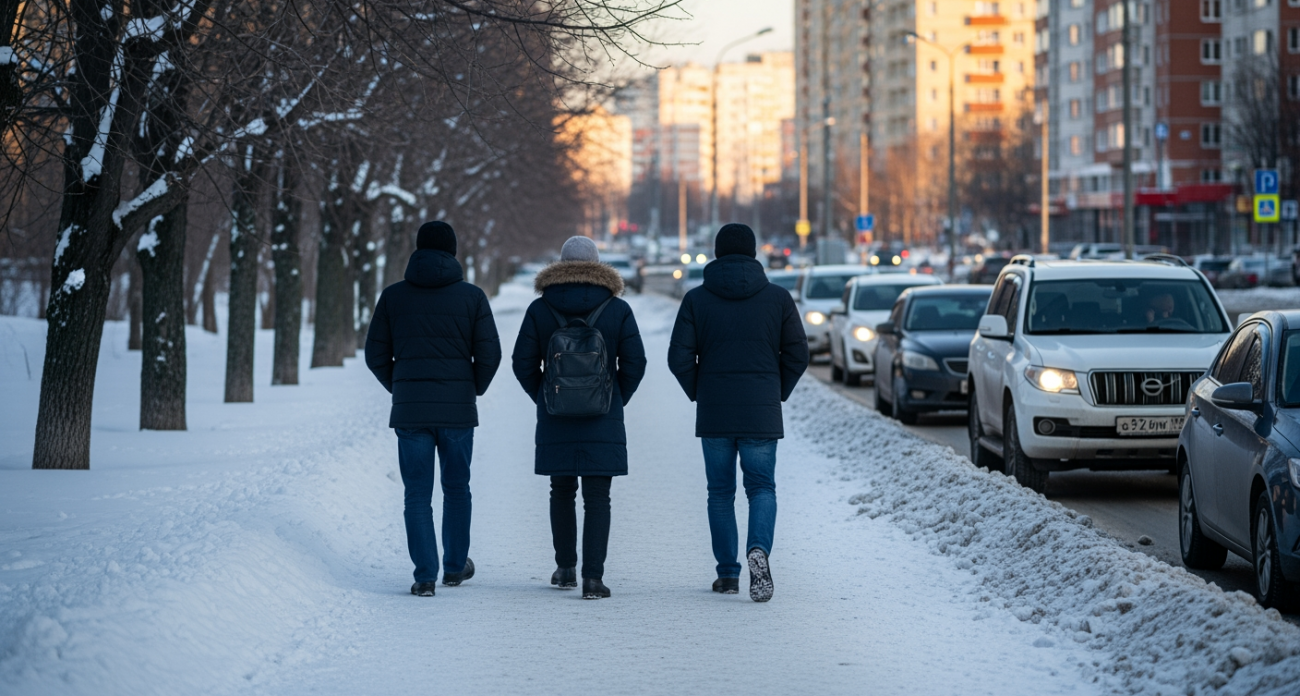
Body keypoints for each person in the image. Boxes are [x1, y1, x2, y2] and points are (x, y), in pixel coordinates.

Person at [667, 223, 809, 602]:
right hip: (761, 411)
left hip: (715, 411)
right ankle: (758, 549)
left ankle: (728, 574)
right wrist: (775, 390)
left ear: (717, 253)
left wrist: (700, 391)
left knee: (720, 492)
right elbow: (798, 354)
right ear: (754, 253)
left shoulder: (696, 299)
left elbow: (679, 358)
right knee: (761, 487)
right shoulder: (778, 298)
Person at [365, 221, 502, 597]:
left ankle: (425, 575)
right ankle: (455, 567)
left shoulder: (393, 296)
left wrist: (401, 388)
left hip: (411, 412)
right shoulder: (472, 297)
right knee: (457, 488)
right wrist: (471, 388)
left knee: (416, 494)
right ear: (453, 252)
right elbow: (490, 353)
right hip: (457, 411)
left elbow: (375, 354)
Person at [512, 236, 646, 600]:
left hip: (556, 415)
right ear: (598, 265)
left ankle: (566, 569)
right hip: (603, 415)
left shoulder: (541, 309)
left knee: (561, 490)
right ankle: (593, 579)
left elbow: (522, 363)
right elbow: (636, 363)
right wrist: (613, 398)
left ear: (561, 264)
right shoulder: (617, 309)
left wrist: (546, 396)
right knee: (598, 497)